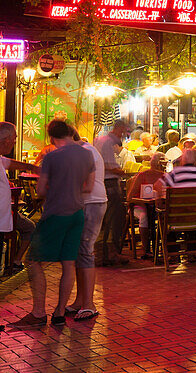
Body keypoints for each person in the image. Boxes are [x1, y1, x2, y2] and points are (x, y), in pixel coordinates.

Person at [16, 119, 95, 328]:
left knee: (32, 260)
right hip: (77, 213)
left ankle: (38, 312)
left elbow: (40, 191)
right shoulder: (87, 154)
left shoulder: (51, 157)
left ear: (51, 136)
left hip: (55, 213)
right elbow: (89, 187)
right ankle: (59, 312)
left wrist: (55, 186)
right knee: (68, 263)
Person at [71, 129, 106, 320]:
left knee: (85, 251)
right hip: (87, 202)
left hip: (92, 202)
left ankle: (89, 304)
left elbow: (85, 183)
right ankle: (80, 300)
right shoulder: (83, 150)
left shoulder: (86, 152)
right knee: (79, 252)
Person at [0, 122, 38, 273]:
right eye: (15, 138)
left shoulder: (1, 159)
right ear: (6, 139)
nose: (15, 142)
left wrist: (31, 167)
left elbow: (8, 163)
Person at [94, 119, 129, 265]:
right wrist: (121, 172)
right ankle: (109, 254)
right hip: (110, 184)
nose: (123, 136)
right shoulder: (107, 142)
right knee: (113, 220)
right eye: (123, 132)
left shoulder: (99, 140)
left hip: (103, 183)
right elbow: (107, 165)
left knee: (105, 221)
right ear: (119, 128)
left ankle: (103, 254)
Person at [125, 153, 166, 259]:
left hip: (156, 207)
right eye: (162, 163)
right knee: (144, 216)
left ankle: (163, 248)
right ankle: (146, 249)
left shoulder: (166, 176)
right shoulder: (142, 175)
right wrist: (143, 202)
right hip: (138, 206)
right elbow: (130, 197)